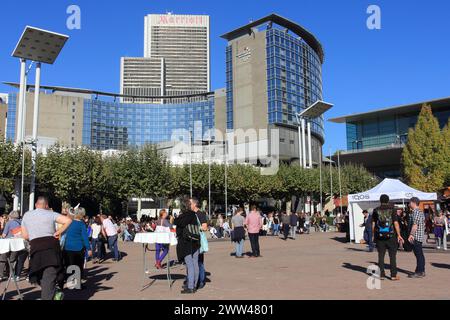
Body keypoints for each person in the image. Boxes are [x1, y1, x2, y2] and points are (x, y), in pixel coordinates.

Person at [21, 196, 72, 300]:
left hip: (36, 248)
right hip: (51, 247)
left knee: (39, 275)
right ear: (47, 205)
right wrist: (57, 232)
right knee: (49, 276)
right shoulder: (51, 214)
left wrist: (35, 234)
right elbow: (68, 220)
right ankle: (52, 293)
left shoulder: (27, 215)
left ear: (36, 205)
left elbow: (25, 235)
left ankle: (51, 293)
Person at [372, 194, 404, 281]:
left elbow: (374, 223)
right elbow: (395, 223)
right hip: (391, 235)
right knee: (392, 256)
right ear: (388, 200)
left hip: (380, 236)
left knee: (381, 256)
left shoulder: (375, 210)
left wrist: (373, 234)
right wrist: (399, 235)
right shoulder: (392, 209)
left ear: (380, 201)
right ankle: (393, 275)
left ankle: (381, 274)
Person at [174, 197, 201, 294]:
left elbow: (176, 222)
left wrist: (176, 218)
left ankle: (190, 287)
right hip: (196, 241)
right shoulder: (194, 215)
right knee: (195, 263)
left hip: (187, 242)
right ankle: (194, 284)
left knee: (190, 264)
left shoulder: (185, 216)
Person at [62, 207, 92, 283]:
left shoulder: (69, 222)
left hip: (67, 247)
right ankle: (77, 284)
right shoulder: (81, 224)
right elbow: (85, 238)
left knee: (69, 265)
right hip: (78, 248)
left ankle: (70, 282)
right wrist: (88, 248)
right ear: (82, 214)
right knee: (78, 266)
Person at [0, 211, 28, 282]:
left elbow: (4, 235)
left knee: (3, 259)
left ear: (10, 216)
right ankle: (11, 275)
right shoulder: (22, 223)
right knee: (12, 260)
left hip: (7, 244)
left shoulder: (9, 223)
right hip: (17, 245)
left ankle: (1, 275)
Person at [190, 198, 208, 290]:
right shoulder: (190, 214)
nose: (189, 205)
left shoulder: (200, 214)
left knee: (199, 262)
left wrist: (195, 228)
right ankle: (192, 280)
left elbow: (205, 227)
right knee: (191, 262)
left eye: (190, 203)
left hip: (199, 241)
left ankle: (201, 281)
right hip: (191, 241)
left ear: (194, 204)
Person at [408, 197, 426, 278]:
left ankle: (420, 271)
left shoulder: (416, 212)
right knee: (419, 255)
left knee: (419, 255)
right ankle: (420, 270)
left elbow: (415, 225)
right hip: (418, 236)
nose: (409, 204)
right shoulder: (419, 212)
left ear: (413, 203)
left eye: (409, 202)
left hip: (416, 237)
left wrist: (411, 235)